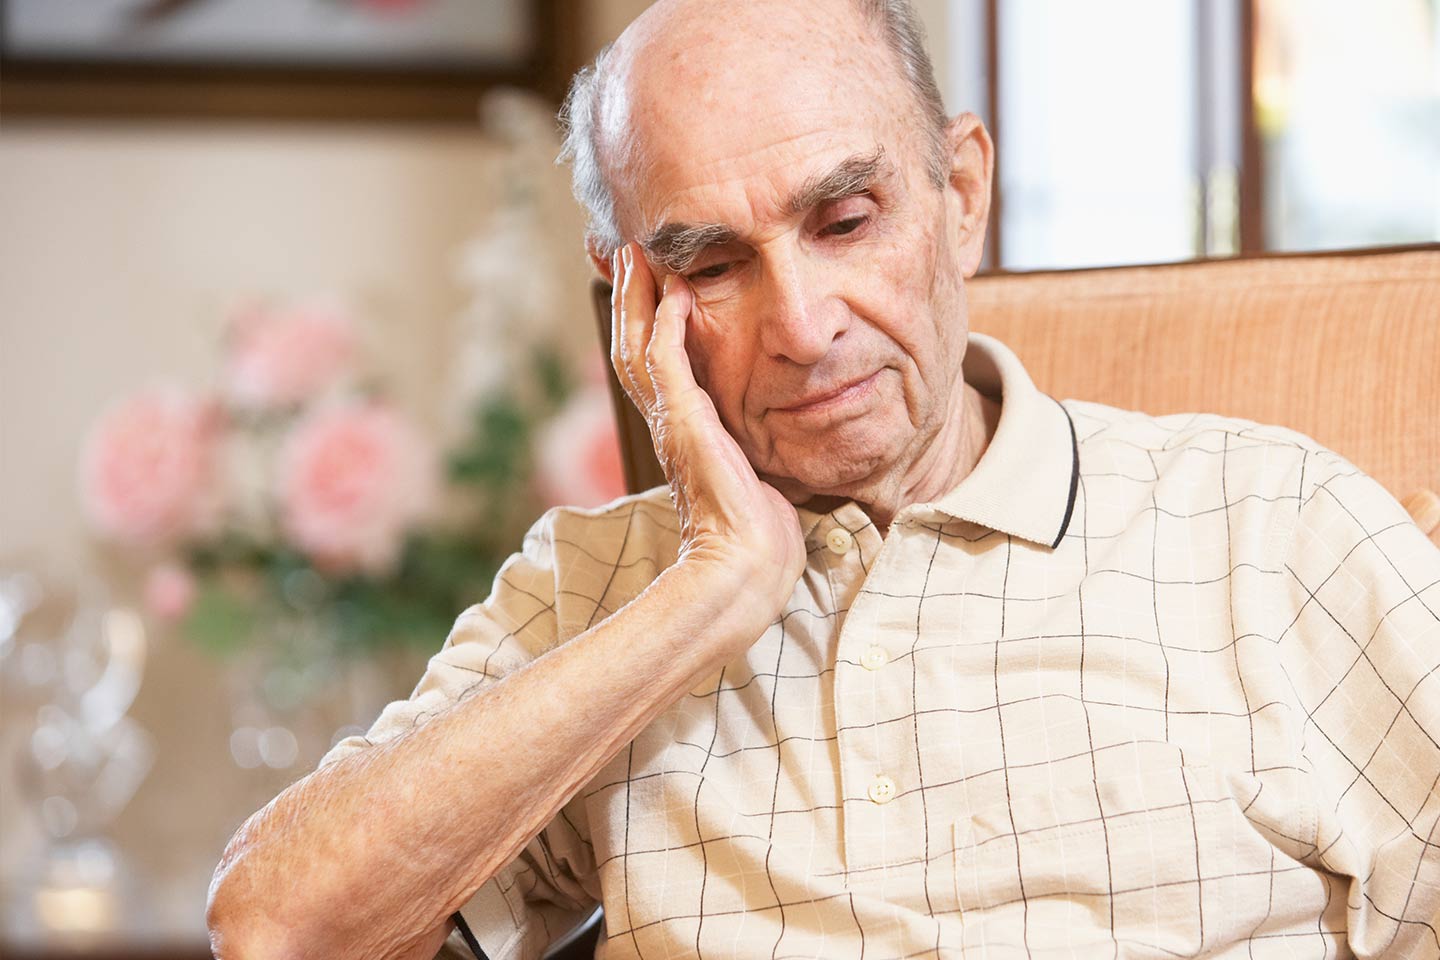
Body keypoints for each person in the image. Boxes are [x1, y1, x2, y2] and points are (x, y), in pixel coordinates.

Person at [206, 1, 1440, 957]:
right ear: (634, 302)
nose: (801, 325)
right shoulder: (595, 593)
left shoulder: (1271, 528)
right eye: (715, 267)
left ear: (960, 195)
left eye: (844, 221)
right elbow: (277, 932)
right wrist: (716, 588)